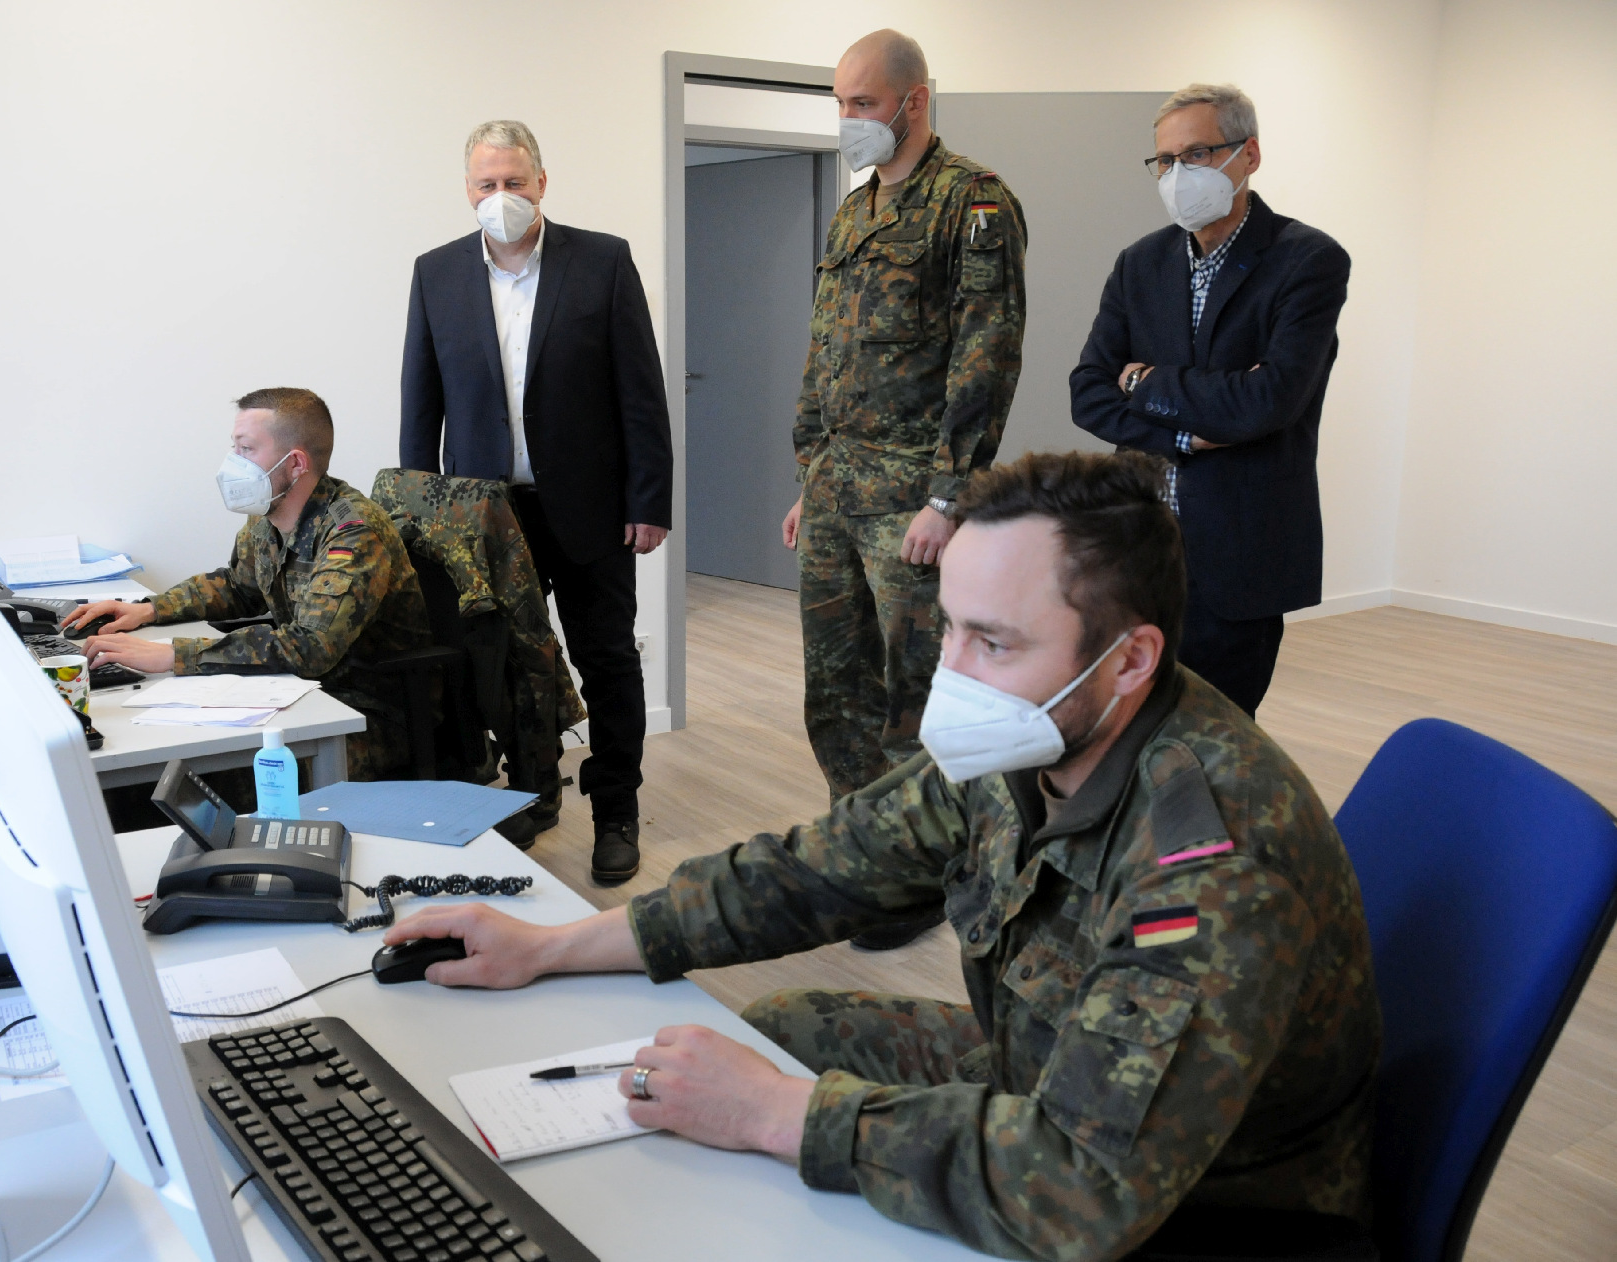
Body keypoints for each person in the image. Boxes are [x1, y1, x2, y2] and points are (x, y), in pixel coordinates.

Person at [381, 451, 1382, 1262]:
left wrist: (781, 1115)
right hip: (1046, 1069)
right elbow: (816, 867)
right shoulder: (1033, 732)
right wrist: (546, 945)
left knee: (771, 1095)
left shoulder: (1211, 864)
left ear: (1129, 658)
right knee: (782, 1032)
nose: (950, 672)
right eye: (947, 626)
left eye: (991, 640)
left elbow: (1082, 1190)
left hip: (1205, 1206)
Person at [783, 31, 1027, 952]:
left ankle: (930, 874)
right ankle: (864, 857)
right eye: (840, 103)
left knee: (917, 702)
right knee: (834, 690)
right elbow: (825, 353)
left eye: (861, 103)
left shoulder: (974, 203)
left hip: (912, 503)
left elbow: (985, 355)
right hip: (839, 491)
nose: (848, 119)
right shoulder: (854, 211)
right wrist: (810, 476)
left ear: (913, 102)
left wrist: (949, 497)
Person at [399, 119, 673, 885]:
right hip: (485, 517)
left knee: (607, 659)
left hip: (591, 507)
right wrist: (424, 516)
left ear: (542, 183)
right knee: (511, 666)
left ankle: (616, 807)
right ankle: (533, 789)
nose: (501, 197)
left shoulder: (603, 262)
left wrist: (650, 499)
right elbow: (420, 405)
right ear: (467, 191)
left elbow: (641, 394)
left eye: (514, 182)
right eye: (486, 185)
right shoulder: (436, 273)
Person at [1070, 83, 1351, 718]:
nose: (1177, 175)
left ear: (1248, 155)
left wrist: (1143, 383)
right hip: (1138, 547)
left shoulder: (1307, 261)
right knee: (1122, 729)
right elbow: (1087, 391)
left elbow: (1266, 401)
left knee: (1215, 738)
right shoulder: (1139, 263)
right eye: (1165, 161)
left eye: (1197, 154)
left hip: (1238, 554)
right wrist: (1183, 432)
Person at [67, 388, 430, 779]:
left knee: (203, 772)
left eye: (248, 450)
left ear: (295, 464)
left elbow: (312, 647)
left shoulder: (352, 532)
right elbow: (240, 587)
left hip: (368, 714)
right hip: (300, 693)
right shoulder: (268, 512)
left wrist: (174, 655)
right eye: (235, 448)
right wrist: (150, 609)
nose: (234, 464)